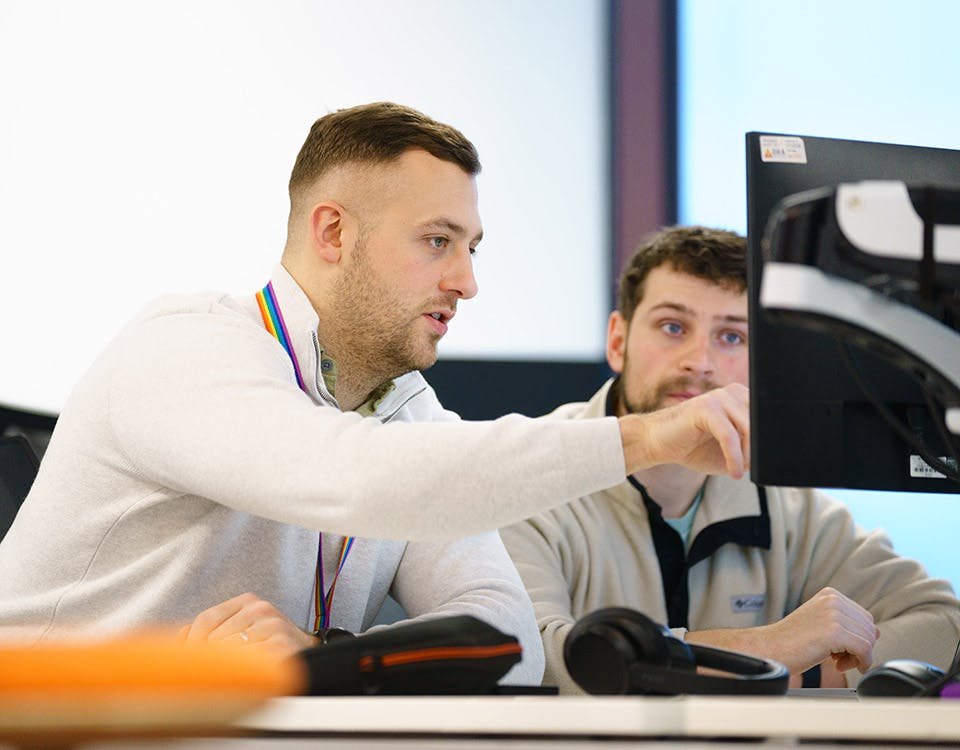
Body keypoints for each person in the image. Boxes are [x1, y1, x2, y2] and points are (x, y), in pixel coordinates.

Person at [0, 104, 750, 685]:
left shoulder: (404, 412)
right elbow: (344, 477)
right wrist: (646, 437)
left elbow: (511, 643)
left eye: (471, 248)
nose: (466, 280)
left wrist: (326, 660)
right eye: (437, 241)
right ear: (333, 233)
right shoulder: (182, 347)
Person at [500, 224, 960, 692]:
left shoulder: (783, 499)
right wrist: (768, 651)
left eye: (732, 337)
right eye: (672, 327)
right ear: (618, 341)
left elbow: (945, 625)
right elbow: (532, 660)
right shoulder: (532, 473)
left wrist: (800, 672)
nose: (699, 361)